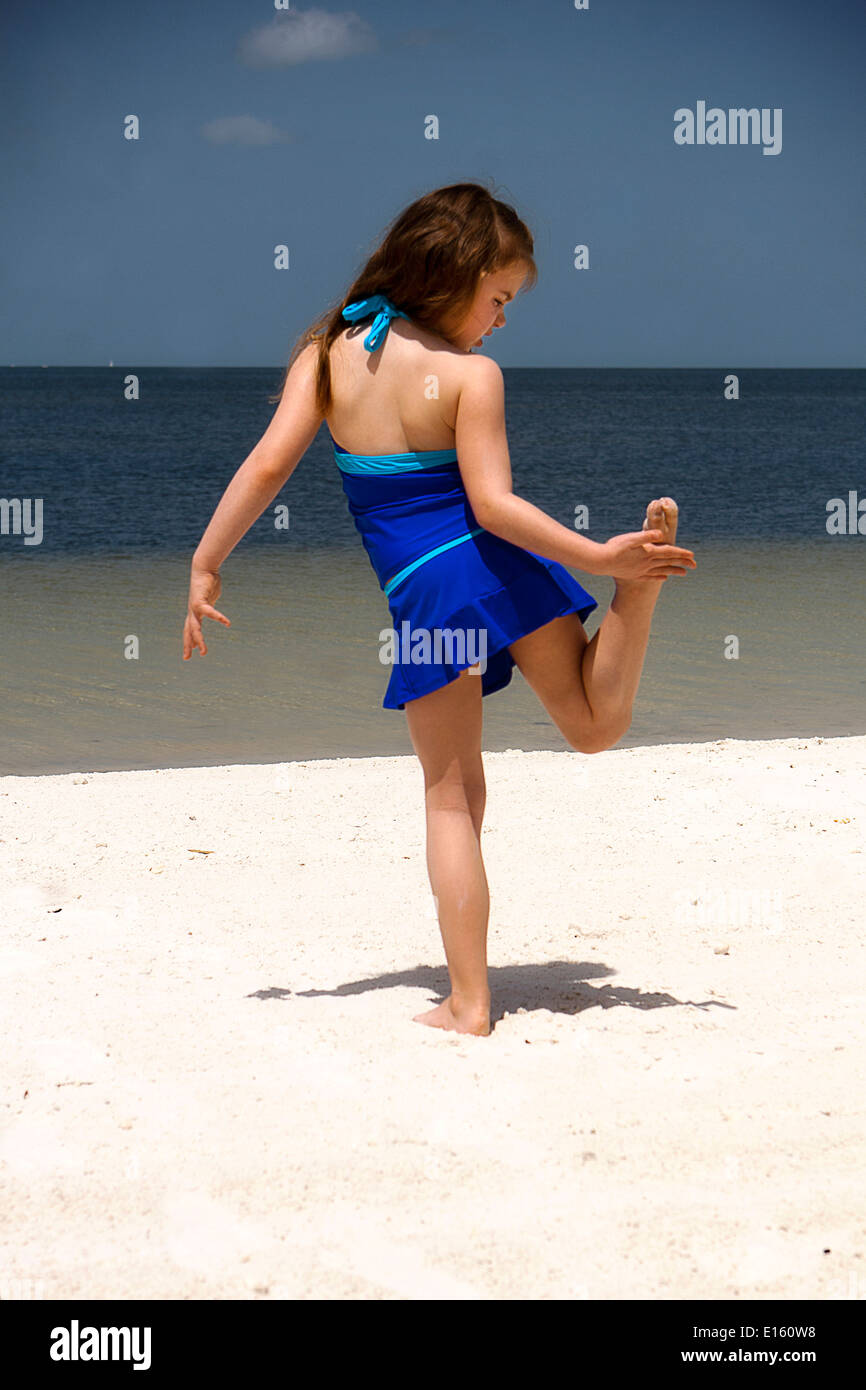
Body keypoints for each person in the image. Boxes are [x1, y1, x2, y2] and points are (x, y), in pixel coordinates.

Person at [182, 181, 697, 1038]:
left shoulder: (326, 353)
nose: (500, 321)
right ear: (454, 274)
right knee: (595, 726)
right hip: (500, 567)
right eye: (498, 299)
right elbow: (494, 507)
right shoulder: (470, 376)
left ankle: (468, 1003)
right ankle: (630, 595)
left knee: (450, 798)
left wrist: (205, 563)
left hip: (432, 592)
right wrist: (595, 556)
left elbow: (269, 465)